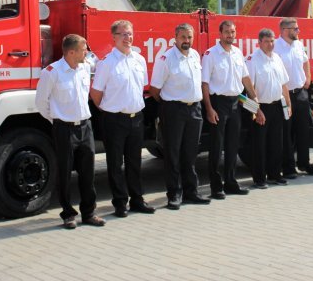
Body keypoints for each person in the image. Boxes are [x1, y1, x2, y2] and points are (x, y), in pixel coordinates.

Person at [35, 34, 105, 229]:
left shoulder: (84, 68)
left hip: (85, 126)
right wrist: (57, 119)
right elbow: (41, 103)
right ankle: (68, 214)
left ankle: (89, 213)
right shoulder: (52, 72)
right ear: (71, 52)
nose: (87, 53)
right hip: (64, 128)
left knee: (88, 172)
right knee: (64, 172)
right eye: (84, 49)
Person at [90, 20, 155, 217]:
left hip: (136, 119)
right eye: (123, 34)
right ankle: (120, 203)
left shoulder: (139, 60)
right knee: (115, 163)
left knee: (135, 162)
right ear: (115, 37)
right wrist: (109, 110)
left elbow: (142, 87)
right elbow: (95, 94)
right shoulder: (106, 63)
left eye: (130, 34)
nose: (128, 38)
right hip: (114, 120)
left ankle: (137, 200)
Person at [150, 23, 211, 210]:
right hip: (174, 110)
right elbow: (155, 90)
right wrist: (171, 104)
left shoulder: (194, 55)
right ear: (175, 37)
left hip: (195, 110)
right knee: (173, 154)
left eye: (189, 37)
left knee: (190, 153)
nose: (187, 41)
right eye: (183, 37)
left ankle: (191, 192)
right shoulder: (166, 58)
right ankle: (174, 194)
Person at [202, 20, 263, 199]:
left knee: (232, 145)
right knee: (216, 146)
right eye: (227, 32)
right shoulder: (210, 54)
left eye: (233, 32)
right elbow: (204, 83)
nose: (230, 35)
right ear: (219, 34)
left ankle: (230, 182)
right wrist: (209, 108)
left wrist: (256, 103)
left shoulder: (237, 53)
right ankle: (216, 187)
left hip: (236, 103)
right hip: (218, 103)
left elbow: (245, 79)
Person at [274, 17, 313, 178]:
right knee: (287, 132)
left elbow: (305, 62)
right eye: (295, 28)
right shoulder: (276, 47)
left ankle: (304, 163)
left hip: (300, 93)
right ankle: (288, 167)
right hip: (284, 95)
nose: (298, 31)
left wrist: (307, 79)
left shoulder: (299, 45)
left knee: (303, 129)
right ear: (285, 30)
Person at [246, 28, 291, 188]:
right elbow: (248, 88)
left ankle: (274, 174)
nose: (270, 44)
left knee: (276, 143)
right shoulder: (252, 60)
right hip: (260, 107)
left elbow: (284, 83)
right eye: (266, 41)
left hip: (277, 106)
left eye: (272, 41)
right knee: (259, 145)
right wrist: (256, 110)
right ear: (259, 43)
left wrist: (288, 103)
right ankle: (259, 178)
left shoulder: (277, 58)